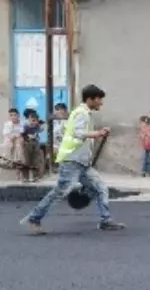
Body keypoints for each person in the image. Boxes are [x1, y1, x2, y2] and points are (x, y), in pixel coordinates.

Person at [20, 84, 125, 234]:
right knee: (60, 191)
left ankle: (106, 220)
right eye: (99, 100)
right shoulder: (81, 113)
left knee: (100, 188)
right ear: (90, 99)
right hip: (71, 161)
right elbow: (78, 133)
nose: (101, 103)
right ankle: (34, 218)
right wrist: (98, 133)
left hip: (82, 162)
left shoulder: (84, 113)